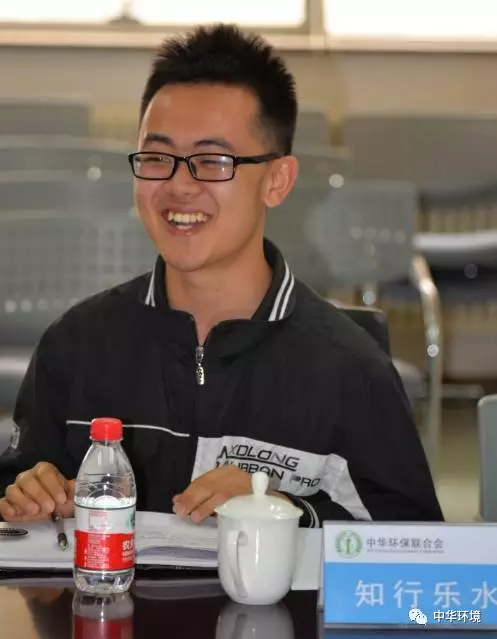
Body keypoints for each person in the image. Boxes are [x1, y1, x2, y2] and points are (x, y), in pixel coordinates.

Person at [0, 24, 443, 527]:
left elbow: (415, 549)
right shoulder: (75, 346)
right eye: (157, 157)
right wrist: (27, 497)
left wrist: (287, 513)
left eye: (212, 161)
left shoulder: (350, 372)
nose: (179, 185)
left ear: (277, 180)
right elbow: (18, 494)